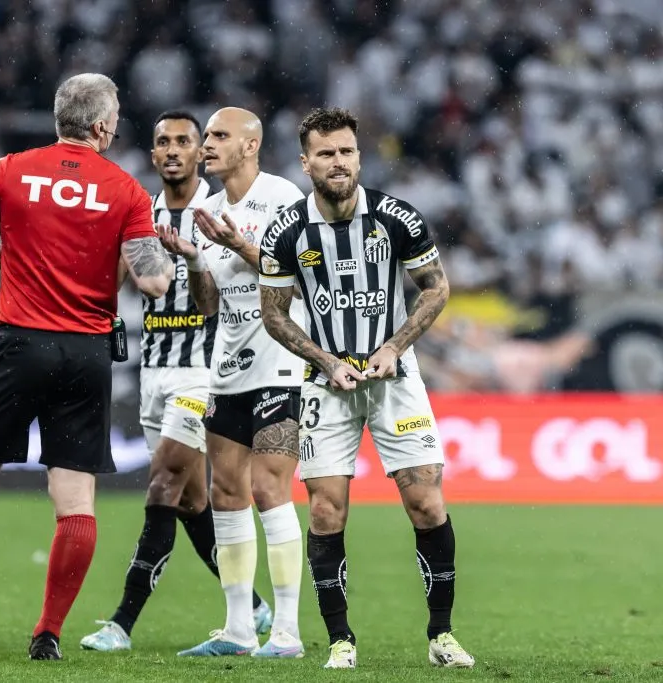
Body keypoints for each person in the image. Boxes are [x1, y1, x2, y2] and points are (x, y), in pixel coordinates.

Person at [0, 73, 174, 662]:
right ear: (103, 126)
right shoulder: (127, 190)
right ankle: (47, 634)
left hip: (21, 343)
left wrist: (18, 252)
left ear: (59, 118)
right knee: (74, 498)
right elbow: (155, 281)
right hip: (87, 353)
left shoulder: (8, 171)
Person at [257, 106, 476, 669]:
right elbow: (274, 315)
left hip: (395, 379)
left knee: (426, 501)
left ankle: (442, 637)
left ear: (359, 155)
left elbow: (435, 288)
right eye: (326, 153)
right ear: (306, 162)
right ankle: (340, 641)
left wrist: (392, 348)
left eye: (347, 151)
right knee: (327, 512)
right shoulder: (287, 231)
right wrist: (326, 359)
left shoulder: (396, 217)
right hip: (326, 383)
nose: (339, 162)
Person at [80, 110, 272, 653]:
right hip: (152, 370)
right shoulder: (139, 216)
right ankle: (252, 608)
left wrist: (192, 262)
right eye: (162, 141)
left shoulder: (216, 214)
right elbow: (109, 285)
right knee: (188, 503)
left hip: (202, 370)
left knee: (162, 480)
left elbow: (212, 307)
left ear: (199, 153)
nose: (172, 151)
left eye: (184, 142)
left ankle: (121, 623)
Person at [159, 107, 306, 658]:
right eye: (209, 137)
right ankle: (239, 629)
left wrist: (242, 247)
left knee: (270, 489)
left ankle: (286, 632)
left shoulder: (283, 198)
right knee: (226, 492)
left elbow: (297, 280)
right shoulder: (206, 208)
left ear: (250, 145)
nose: (207, 146)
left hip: (282, 364)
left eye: (219, 136)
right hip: (228, 369)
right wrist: (195, 259)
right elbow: (208, 307)